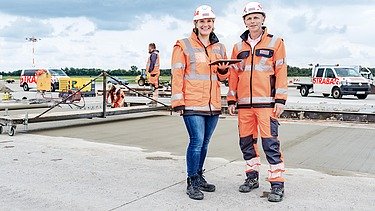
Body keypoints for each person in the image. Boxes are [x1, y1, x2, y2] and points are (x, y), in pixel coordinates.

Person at [227, 2, 288, 202]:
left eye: (256, 17)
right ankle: (251, 177)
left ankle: (277, 184)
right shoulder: (237, 47)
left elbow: (281, 72)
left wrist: (280, 99)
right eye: (249, 18)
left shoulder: (275, 43)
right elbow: (233, 75)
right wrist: (231, 99)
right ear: (244, 21)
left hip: (267, 104)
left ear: (263, 19)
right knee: (246, 143)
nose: (252, 21)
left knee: (270, 144)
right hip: (244, 105)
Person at [171, 5, 230, 200]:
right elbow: (177, 74)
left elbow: (224, 77)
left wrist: (223, 71)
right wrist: (178, 101)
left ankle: (199, 175)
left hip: (212, 104)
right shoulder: (183, 45)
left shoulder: (220, 47)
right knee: (196, 142)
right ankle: (192, 181)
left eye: (209, 21)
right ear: (195, 23)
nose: (206, 24)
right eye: (202, 21)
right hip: (192, 103)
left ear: (213, 24)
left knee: (205, 143)